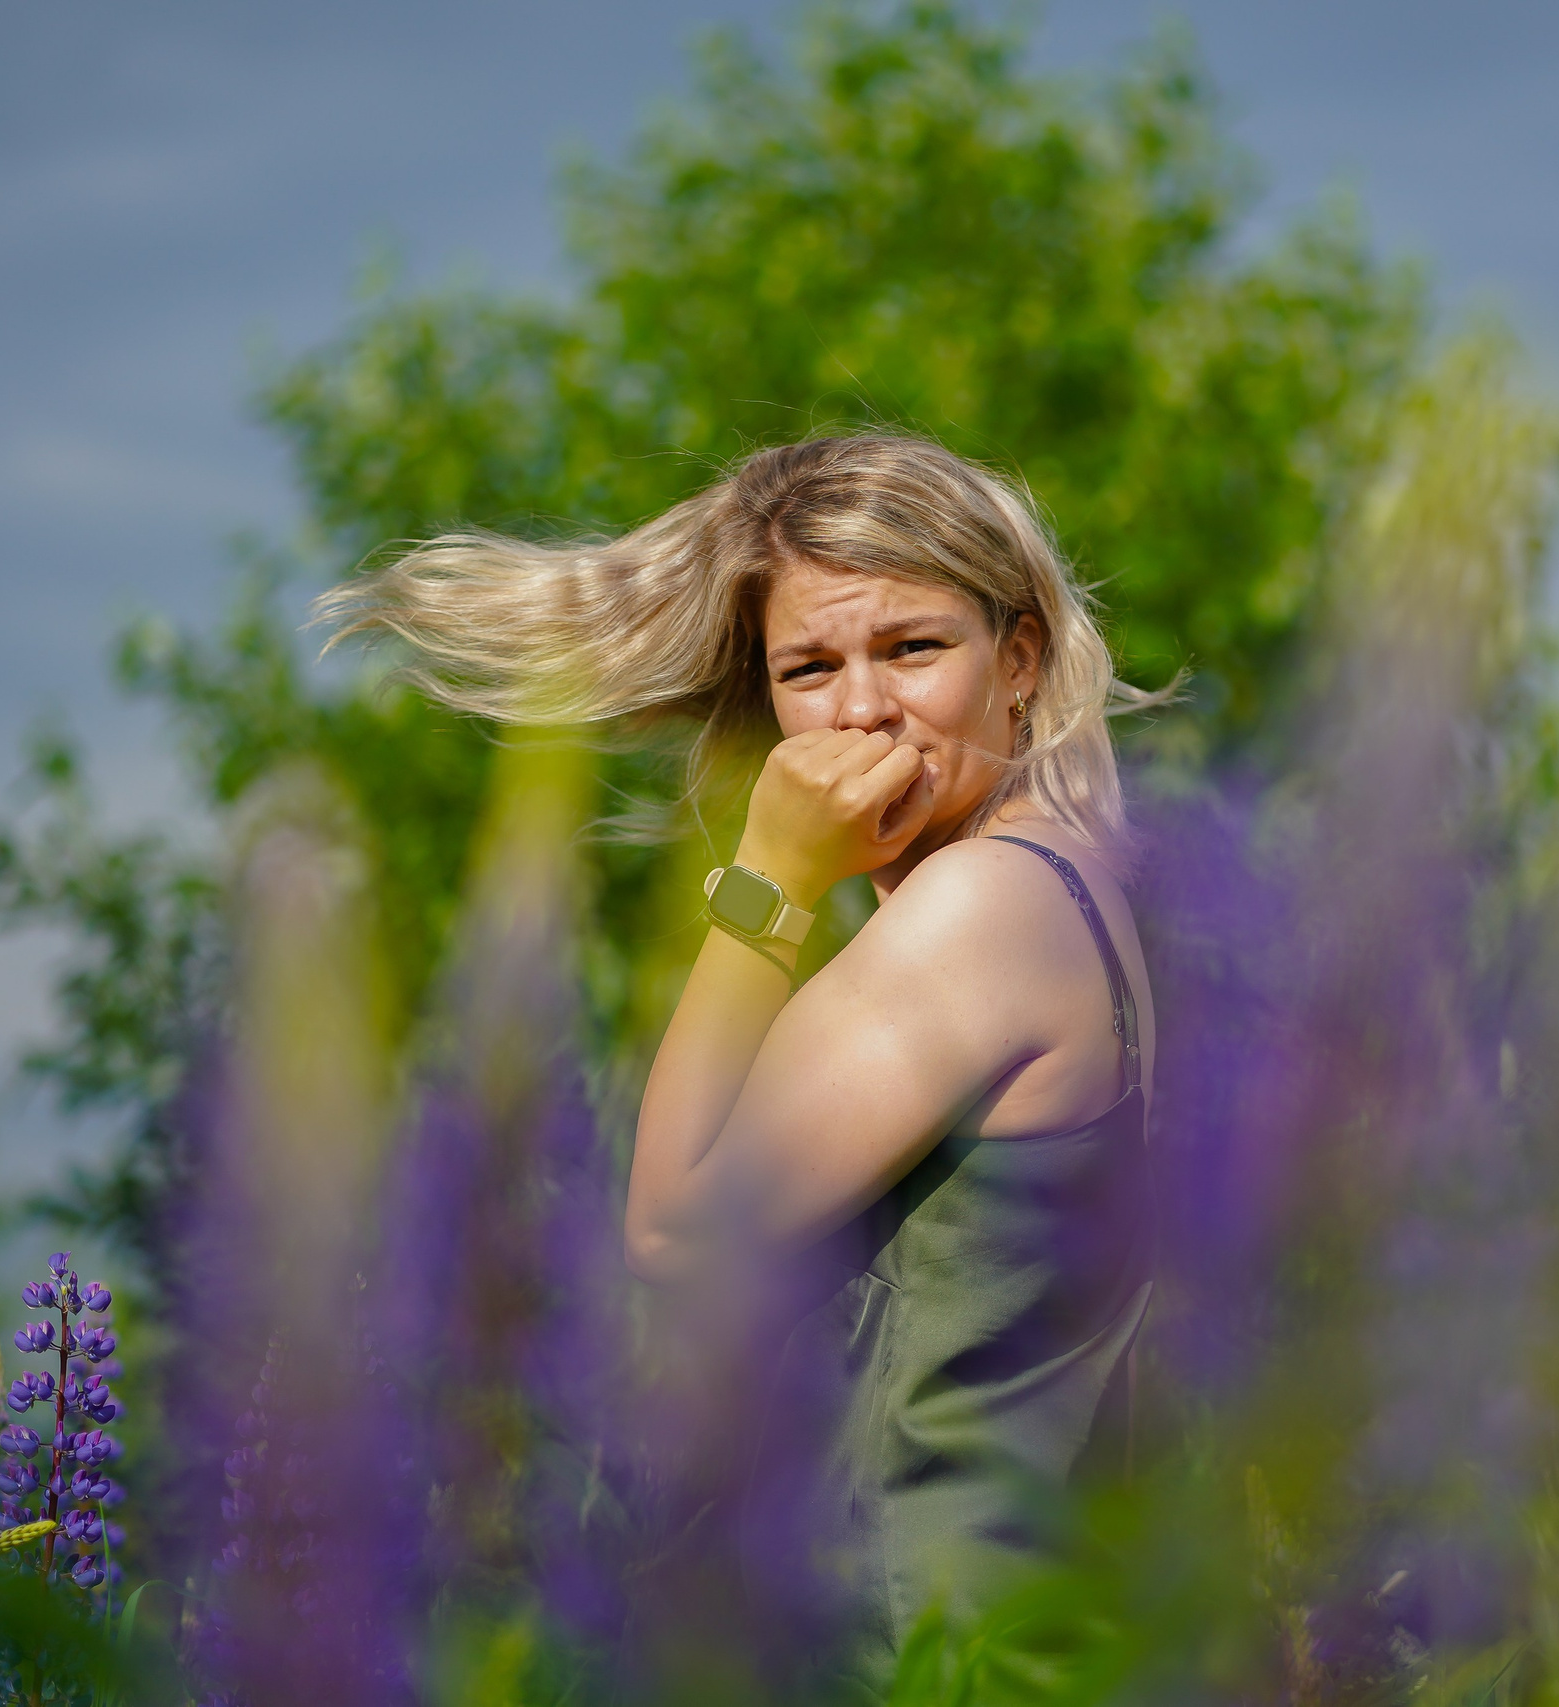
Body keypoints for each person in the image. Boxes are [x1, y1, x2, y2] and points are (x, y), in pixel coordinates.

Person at [318, 433, 1160, 1688]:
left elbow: (676, 1235)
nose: (862, 707)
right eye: (809, 667)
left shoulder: (982, 905)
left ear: (1021, 657)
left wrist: (767, 882)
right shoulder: (1080, 882)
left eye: (914, 648)